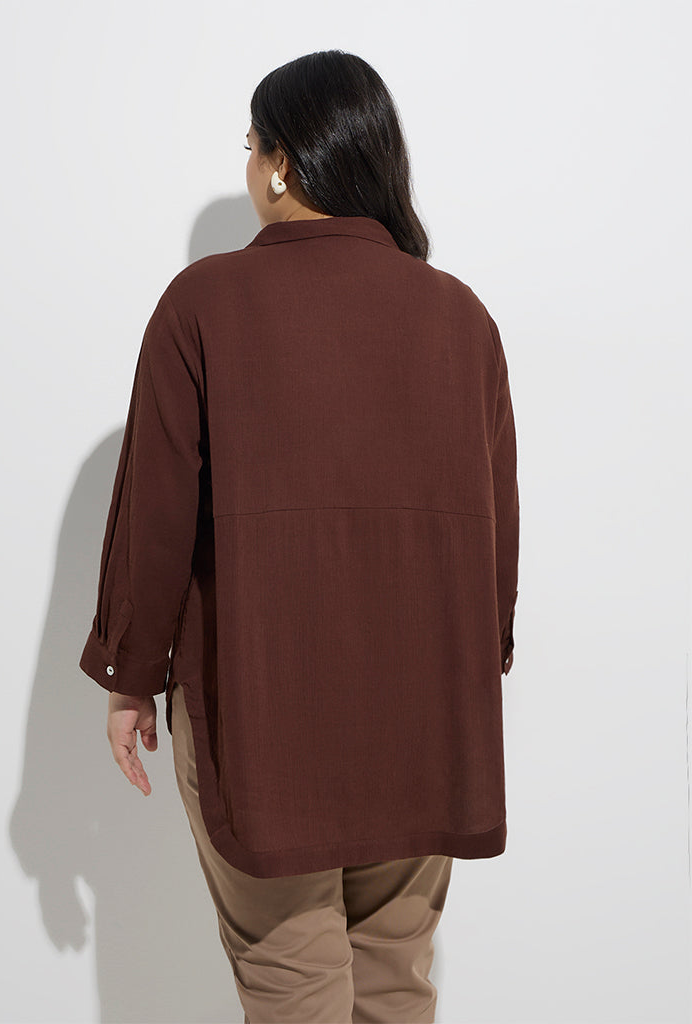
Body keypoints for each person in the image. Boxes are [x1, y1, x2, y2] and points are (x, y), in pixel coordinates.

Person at [79, 49, 519, 1024]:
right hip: (425, 714)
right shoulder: (462, 318)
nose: (250, 167)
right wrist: (477, 663)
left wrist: (129, 674)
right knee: (395, 980)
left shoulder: (202, 303)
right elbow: (496, 528)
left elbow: (156, 515)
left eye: (251, 147)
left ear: (280, 163)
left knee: (293, 984)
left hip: (263, 709)